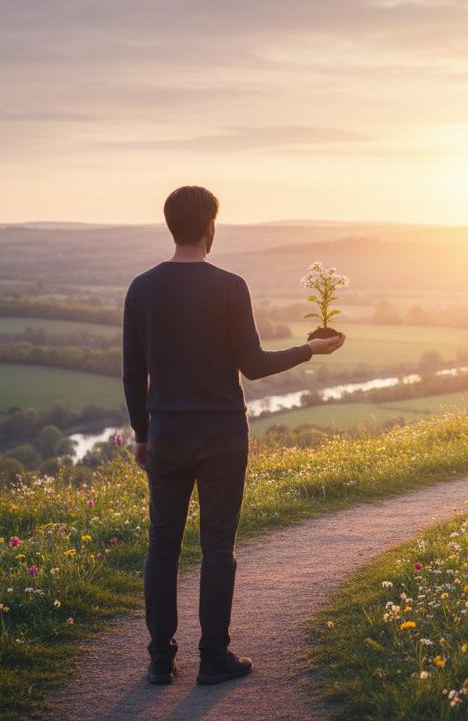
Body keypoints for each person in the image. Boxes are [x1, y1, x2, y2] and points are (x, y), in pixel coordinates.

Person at [123, 186, 346, 687]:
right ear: (210, 227)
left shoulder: (141, 288)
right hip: (222, 436)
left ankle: (159, 659)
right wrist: (309, 350)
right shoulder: (229, 286)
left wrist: (142, 435)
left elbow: (133, 375)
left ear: (171, 226)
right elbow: (254, 364)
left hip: (166, 435)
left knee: (162, 546)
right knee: (217, 547)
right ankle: (213, 657)